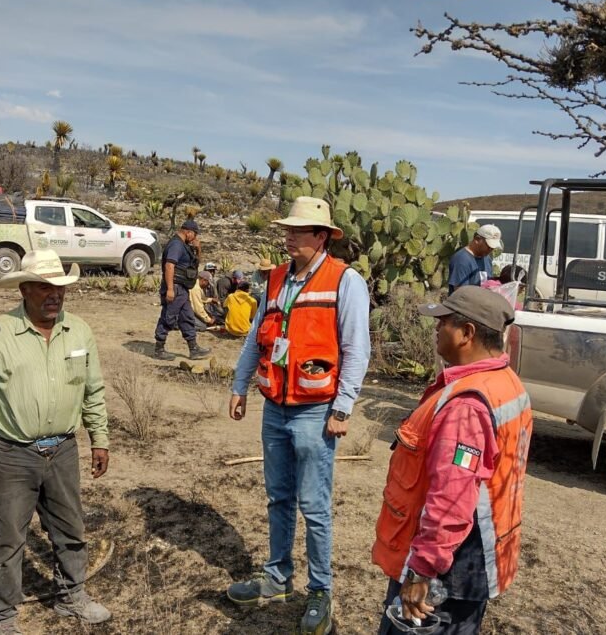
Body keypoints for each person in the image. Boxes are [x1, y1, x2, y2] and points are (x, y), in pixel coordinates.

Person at [226, 196, 371, 635]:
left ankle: (320, 591)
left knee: (314, 506)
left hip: (315, 412)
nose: (288, 237)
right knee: (279, 498)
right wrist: (239, 385)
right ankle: (276, 579)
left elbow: (356, 349)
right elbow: (256, 337)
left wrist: (342, 407)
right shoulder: (273, 280)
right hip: (275, 407)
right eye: (287, 230)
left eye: (298, 231)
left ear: (322, 237)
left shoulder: (346, 282)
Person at [0, 250, 112, 634]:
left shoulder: (80, 331)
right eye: (44, 286)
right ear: (24, 288)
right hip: (11, 455)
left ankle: (71, 597)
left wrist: (100, 439)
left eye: (59, 286)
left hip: (63, 450)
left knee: (70, 529)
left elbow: (93, 390)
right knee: (7, 540)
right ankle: (3, 616)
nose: (54, 294)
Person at [373, 286, 532, 635]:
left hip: (449, 570)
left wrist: (422, 571)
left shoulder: (466, 406)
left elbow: (452, 497)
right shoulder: (506, 382)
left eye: (442, 323)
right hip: (475, 559)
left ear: (467, 333)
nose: (435, 330)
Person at [153, 219, 211, 360]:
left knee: (187, 317)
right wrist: (170, 289)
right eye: (195, 234)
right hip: (176, 287)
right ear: (188, 232)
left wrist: (198, 249)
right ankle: (159, 349)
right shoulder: (176, 245)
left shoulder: (184, 246)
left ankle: (194, 348)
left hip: (183, 289)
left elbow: (194, 263)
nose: (195, 238)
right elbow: (169, 266)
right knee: (168, 317)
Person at [448, 224, 503, 293]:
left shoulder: (487, 259)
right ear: (477, 239)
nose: (491, 249)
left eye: (493, 247)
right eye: (488, 246)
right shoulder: (462, 260)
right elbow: (461, 294)